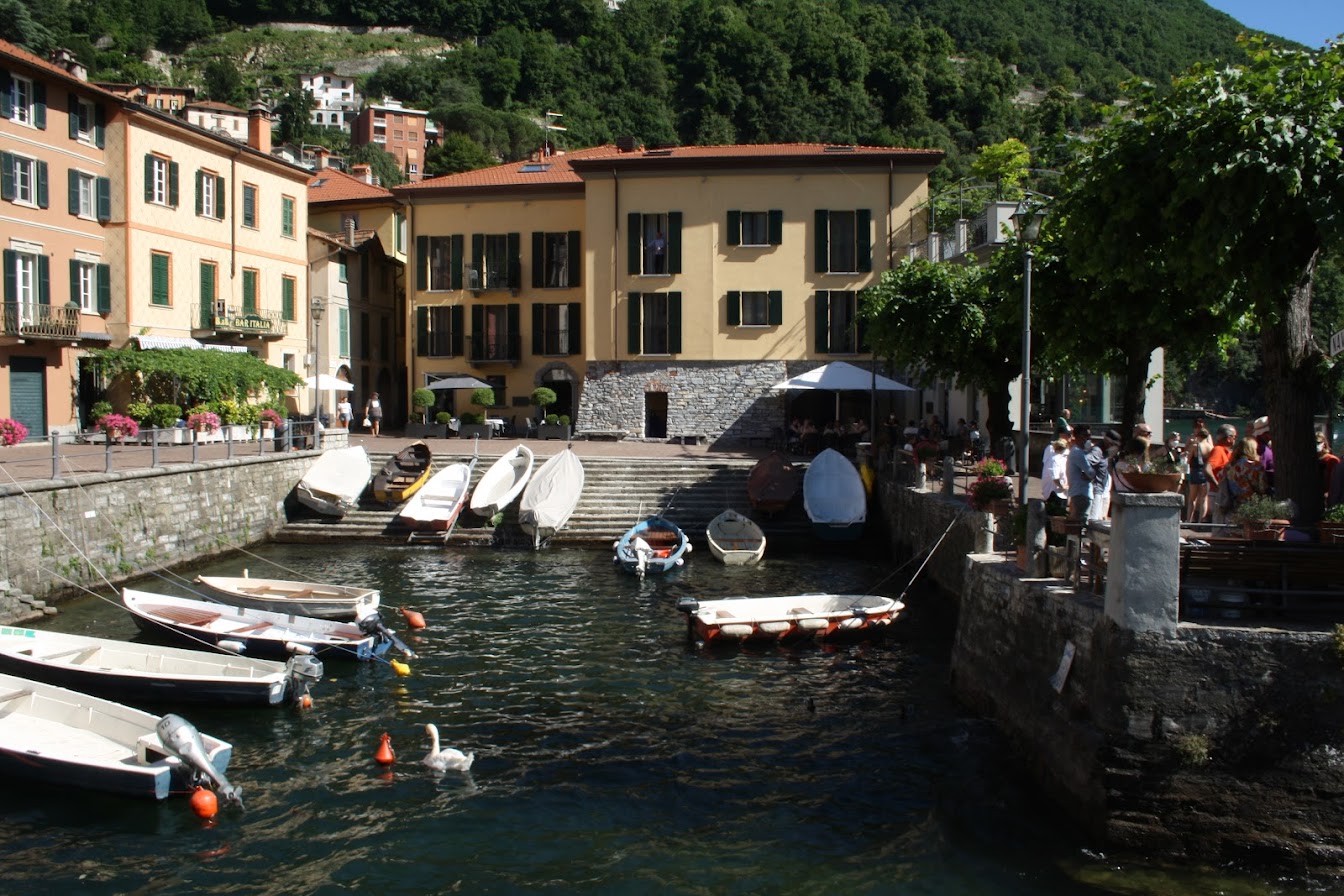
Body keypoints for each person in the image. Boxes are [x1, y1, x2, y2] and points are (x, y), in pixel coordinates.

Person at [1224, 437, 1268, 511]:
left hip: (1235, 504)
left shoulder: (1230, 466)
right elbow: (1262, 488)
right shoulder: (1256, 466)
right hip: (1253, 505)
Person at [1065, 424, 1096, 521]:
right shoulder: (1078, 453)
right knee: (1080, 523)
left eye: (1089, 436)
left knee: (1077, 522)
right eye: (1085, 436)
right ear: (1077, 436)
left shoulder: (1080, 452)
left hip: (1079, 493)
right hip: (1082, 494)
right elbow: (1091, 473)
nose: (1088, 439)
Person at [1184, 431, 1211, 523]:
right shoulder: (1210, 446)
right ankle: (1201, 521)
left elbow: (1188, 461)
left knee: (1192, 499)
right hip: (1206, 473)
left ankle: (1189, 520)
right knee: (1204, 499)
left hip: (1195, 472)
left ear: (1198, 436)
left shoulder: (1195, 446)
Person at [1045, 437, 1069, 515]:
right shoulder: (1055, 459)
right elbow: (1055, 477)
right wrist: (1062, 486)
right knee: (1055, 515)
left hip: (1061, 492)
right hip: (1055, 493)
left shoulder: (1060, 458)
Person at [1250, 416, 1273, 493]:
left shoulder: (1262, 447)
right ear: (1263, 434)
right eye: (1269, 432)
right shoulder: (1263, 450)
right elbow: (1261, 470)